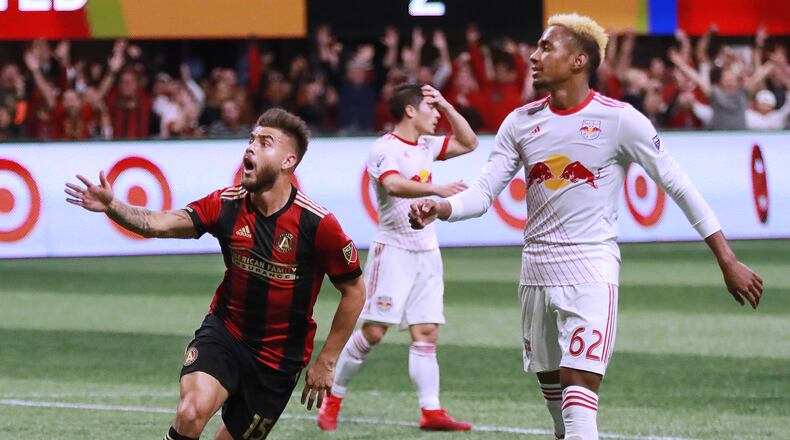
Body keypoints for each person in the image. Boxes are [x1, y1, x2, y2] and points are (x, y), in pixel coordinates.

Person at [408, 14, 763, 440]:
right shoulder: (519, 122)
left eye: (545, 48)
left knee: (578, 393)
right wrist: (441, 206)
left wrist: (726, 259)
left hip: (591, 269)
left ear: (579, 61)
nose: (534, 57)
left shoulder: (620, 120)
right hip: (535, 272)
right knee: (559, 410)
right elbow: (483, 194)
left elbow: (679, 185)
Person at [64, 108, 366, 440]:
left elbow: (354, 291)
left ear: (288, 161)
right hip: (226, 335)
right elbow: (157, 224)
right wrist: (113, 206)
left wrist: (327, 359)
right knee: (191, 411)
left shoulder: (318, 224)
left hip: (278, 360)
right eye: (251, 139)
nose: (250, 147)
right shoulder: (225, 204)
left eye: (265, 142)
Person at [317, 83, 478, 432]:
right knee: (374, 331)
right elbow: (392, 184)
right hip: (393, 250)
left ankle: (431, 410)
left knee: (426, 330)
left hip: (427, 250)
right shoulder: (383, 149)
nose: (436, 116)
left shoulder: (427, 145)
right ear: (410, 110)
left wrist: (446, 104)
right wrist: (436, 189)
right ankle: (333, 397)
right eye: (430, 109)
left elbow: (469, 142)